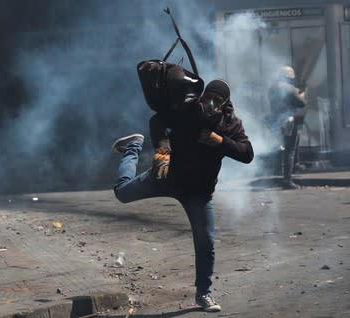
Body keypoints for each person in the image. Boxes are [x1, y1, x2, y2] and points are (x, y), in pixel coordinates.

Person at [111, 80, 254, 312]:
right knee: (122, 194)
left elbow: (247, 153)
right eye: (209, 96)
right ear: (203, 94)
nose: (211, 102)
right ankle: (133, 147)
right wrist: (163, 150)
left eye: (218, 100)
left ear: (224, 104)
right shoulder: (187, 108)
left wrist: (220, 141)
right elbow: (157, 121)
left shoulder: (229, 123)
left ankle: (204, 294)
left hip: (199, 192)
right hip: (167, 176)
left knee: (206, 242)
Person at [268, 65, 306, 189]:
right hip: (288, 121)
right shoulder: (289, 88)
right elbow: (301, 103)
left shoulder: (272, 88)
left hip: (276, 121)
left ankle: (281, 169)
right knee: (290, 150)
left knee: (282, 147)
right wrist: (301, 95)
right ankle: (287, 179)